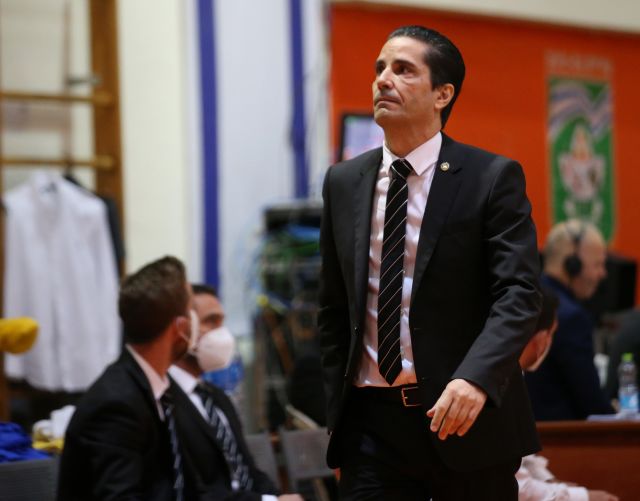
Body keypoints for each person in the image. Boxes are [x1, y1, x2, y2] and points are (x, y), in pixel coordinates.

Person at [318, 25, 542, 500]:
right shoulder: (343, 182)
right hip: (370, 429)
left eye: (403, 70)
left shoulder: (489, 177)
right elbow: (333, 309)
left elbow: (519, 294)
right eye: (380, 68)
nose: (383, 79)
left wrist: (477, 376)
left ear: (443, 94)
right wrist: (337, 409)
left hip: (464, 415)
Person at [58, 256, 202, 500]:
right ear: (179, 328)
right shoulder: (116, 404)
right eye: (191, 310)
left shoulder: (161, 389)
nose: (194, 320)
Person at [169, 284, 303, 501]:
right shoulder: (165, 402)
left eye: (222, 322)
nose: (222, 333)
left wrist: (279, 497)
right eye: (211, 321)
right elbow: (199, 489)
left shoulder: (217, 397)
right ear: (181, 328)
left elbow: (250, 471)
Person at [517, 286, 619, 501]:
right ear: (542, 338)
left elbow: (523, 457)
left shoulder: (514, 377)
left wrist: (551, 482)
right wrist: (581, 496)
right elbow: (514, 484)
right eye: (552, 334)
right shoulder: (498, 385)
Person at [525, 219, 615, 420]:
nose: (603, 273)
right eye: (598, 264)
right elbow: (592, 405)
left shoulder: (526, 300)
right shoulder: (571, 318)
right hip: (564, 434)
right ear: (572, 265)